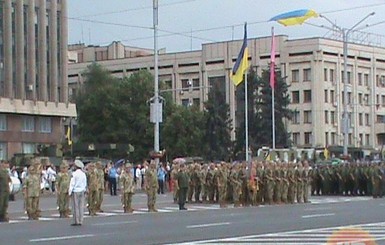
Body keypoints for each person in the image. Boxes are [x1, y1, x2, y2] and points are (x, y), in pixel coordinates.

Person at [68, 160, 87, 226]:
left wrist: (69, 192)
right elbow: (85, 183)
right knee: (81, 206)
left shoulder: (74, 174)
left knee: (75, 207)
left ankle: (76, 221)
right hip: (82, 191)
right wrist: (84, 189)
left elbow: (72, 183)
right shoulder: (83, 174)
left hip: (75, 191)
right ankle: (81, 220)